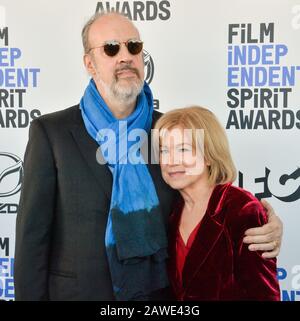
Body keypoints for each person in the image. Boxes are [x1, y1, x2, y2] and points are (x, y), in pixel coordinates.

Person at [14, 12, 282, 301]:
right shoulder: (52, 132)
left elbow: (209, 200)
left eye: (134, 46)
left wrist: (265, 221)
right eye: (111, 48)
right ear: (89, 63)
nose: (125, 56)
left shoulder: (167, 131)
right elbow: (32, 241)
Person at [154, 106, 281, 300]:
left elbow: (263, 295)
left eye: (183, 149)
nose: (171, 161)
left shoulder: (241, 208)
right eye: (164, 150)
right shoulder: (170, 210)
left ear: (209, 155)